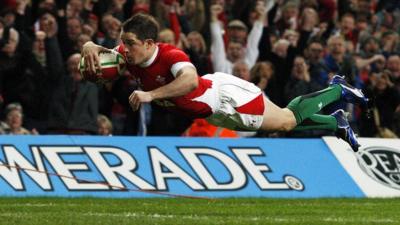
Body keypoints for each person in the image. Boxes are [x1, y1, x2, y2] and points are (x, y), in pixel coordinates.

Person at [81, 13, 370, 152]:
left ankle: (337, 89)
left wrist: (151, 95)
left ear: (149, 43)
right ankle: (336, 123)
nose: (124, 48)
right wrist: (89, 46)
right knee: (284, 121)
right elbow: (102, 53)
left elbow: (189, 80)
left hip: (226, 99)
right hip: (217, 111)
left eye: (130, 43)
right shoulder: (128, 55)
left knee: (285, 121)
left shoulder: (172, 55)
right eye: (123, 43)